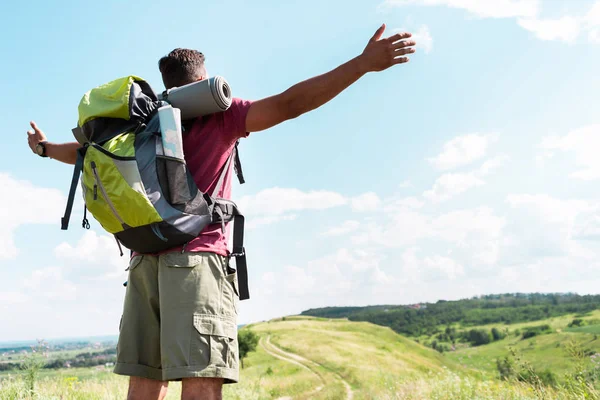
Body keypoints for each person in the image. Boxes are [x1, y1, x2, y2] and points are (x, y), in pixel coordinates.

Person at [26, 24, 416, 400]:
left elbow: (81, 155)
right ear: (202, 80)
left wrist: (43, 148)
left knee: (144, 385)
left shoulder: (139, 125)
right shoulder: (220, 115)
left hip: (143, 262)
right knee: (202, 381)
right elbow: (289, 104)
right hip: (196, 262)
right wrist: (362, 64)